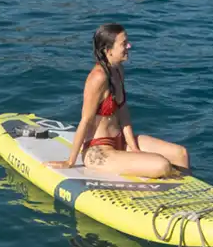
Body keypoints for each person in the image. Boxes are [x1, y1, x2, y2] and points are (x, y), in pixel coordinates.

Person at [44, 23, 189, 178]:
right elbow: (85, 120)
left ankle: (188, 188)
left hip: (121, 141)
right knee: (162, 165)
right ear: (108, 50)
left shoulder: (118, 70)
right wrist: (70, 161)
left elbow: (123, 112)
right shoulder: (98, 77)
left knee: (180, 154)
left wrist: (134, 148)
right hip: (99, 149)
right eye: (124, 43)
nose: (129, 46)